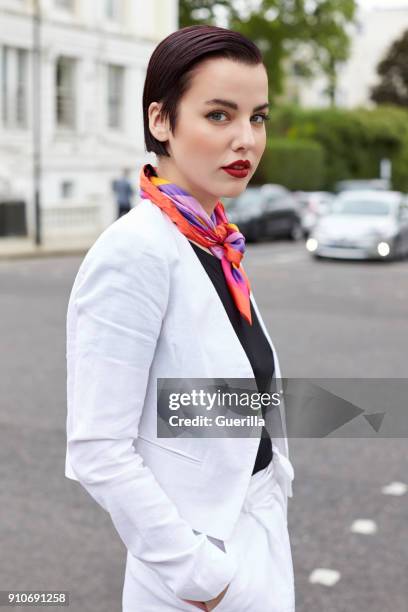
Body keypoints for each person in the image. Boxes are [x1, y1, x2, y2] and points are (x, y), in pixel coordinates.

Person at [65, 25, 295, 612]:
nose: (247, 139)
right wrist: (203, 578)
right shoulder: (135, 251)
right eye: (219, 115)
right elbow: (98, 449)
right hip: (197, 573)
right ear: (161, 121)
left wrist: (272, 482)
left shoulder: (216, 242)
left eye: (258, 117)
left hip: (255, 530)